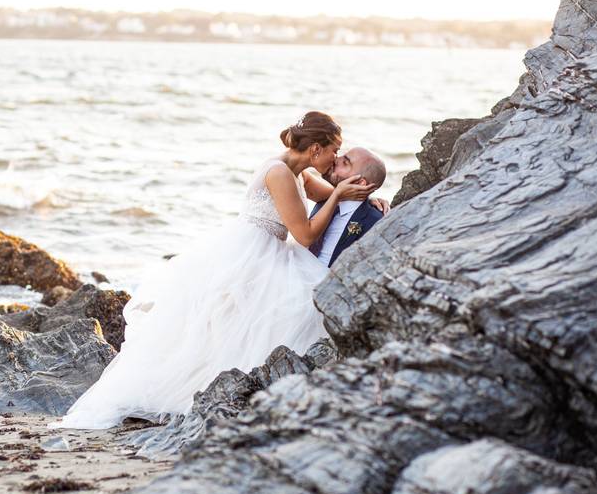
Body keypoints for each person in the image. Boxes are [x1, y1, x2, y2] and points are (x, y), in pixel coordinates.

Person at [55, 111, 375, 430]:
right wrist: (336, 195)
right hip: (253, 254)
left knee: (247, 326)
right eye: (334, 150)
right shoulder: (279, 173)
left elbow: (328, 193)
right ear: (316, 149)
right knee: (261, 319)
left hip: (263, 251)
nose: (335, 158)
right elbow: (305, 235)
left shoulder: (297, 172)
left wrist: (368, 201)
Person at [301, 147, 388, 266]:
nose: (336, 159)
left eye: (345, 163)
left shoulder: (374, 221)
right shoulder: (325, 198)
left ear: (360, 183)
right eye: (341, 156)